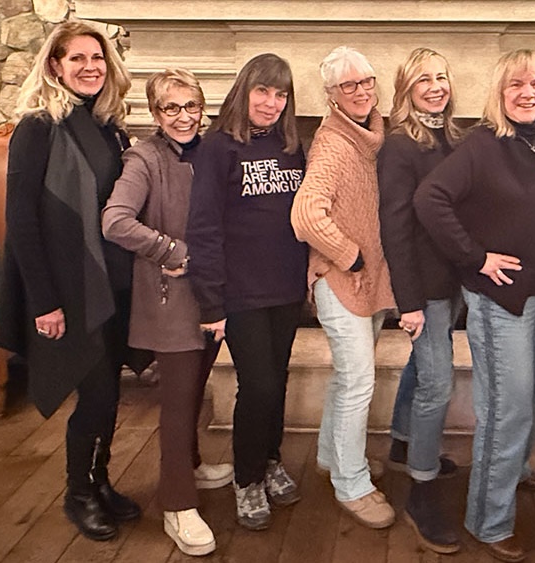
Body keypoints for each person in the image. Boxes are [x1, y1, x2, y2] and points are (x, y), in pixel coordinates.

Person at [414, 49, 535, 562]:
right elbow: (429, 199)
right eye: (516, 85)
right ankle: (488, 518)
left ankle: (512, 470)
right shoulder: (482, 146)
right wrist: (475, 257)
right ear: (499, 95)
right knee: (507, 411)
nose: (528, 93)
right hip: (498, 300)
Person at [0, 21, 141, 541]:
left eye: (96, 58)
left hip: (113, 281)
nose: (90, 67)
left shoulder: (109, 126)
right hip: (70, 289)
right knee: (95, 394)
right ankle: (78, 494)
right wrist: (44, 303)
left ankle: (100, 482)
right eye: (77, 58)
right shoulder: (38, 127)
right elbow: (21, 220)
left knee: (110, 393)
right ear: (55, 65)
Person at [102, 69, 234, 556]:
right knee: (178, 402)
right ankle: (177, 503)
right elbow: (115, 221)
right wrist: (172, 250)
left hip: (213, 295)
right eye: (171, 108)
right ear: (156, 113)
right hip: (170, 297)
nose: (183, 117)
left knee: (195, 387)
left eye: (191, 106)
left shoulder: (212, 151)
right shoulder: (144, 159)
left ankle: (190, 465)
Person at [185, 54, 308, 532]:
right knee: (257, 385)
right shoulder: (218, 148)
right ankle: (248, 478)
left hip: (286, 288)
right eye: (263, 91)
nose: (271, 103)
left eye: (281, 94)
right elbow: (204, 227)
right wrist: (211, 301)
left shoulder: (292, 147)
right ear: (244, 91)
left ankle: (271, 458)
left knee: (277, 380)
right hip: (240, 293)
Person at [291, 46, 396, 530]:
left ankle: (332, 456)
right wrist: (349, 254)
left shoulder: (370, 136)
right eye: (348, 85)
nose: (360, 91)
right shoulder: (333, 144)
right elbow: (305, 214)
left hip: (366, 280)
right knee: (358, 382)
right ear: (331, 95)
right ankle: (352, 483)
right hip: (341, 279)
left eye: (366, 81)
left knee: (347, 378)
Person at [378, 47, 464, 553]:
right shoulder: (399, 147)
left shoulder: (453, 139)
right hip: (423, 290)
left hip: (452, 283)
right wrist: (407, 302)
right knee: (437, 383)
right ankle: (422, 491)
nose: (435, 87)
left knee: (422, 366)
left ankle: (403, 442)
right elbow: (395, 227)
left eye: (441, 77)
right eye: (423, 80)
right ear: (406, 90)